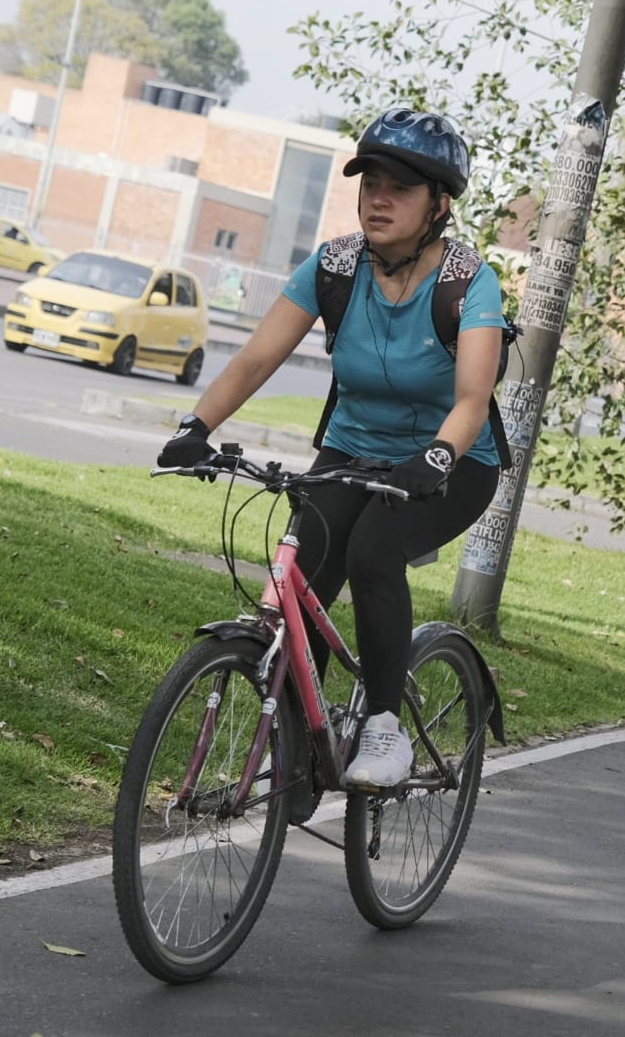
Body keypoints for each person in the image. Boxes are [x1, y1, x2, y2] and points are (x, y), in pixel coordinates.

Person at [156, 108, 508, 788]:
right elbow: (256, 359)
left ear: (438, 205)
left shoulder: (468, 281)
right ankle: (298, 747)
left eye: (399, 188)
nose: (378, 198)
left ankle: (383, 727)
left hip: (454, 464)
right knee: (304, 569)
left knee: (374, 550)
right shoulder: (335, 266)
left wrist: (435, 458)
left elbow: (472, 397)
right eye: (369, 182)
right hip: (352, 451)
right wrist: (194, 426)